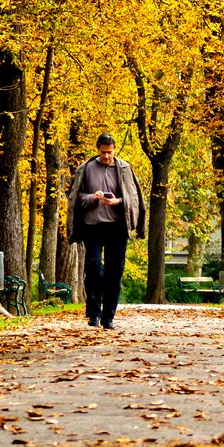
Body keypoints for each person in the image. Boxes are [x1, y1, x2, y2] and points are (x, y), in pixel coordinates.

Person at [65, 133, 144, 329]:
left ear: (114, 150)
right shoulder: (86, 169)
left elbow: (134, 199)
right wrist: (93, 197)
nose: (106, 156)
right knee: (93, 269)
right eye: (103, 152)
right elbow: (76, 197)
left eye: (109, 152)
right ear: (98, 150)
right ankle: (93, 313)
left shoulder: (125, 169)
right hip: (93, 226)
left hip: (117, 228)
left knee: (114, 273)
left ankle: (108, 317)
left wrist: (118, 201)